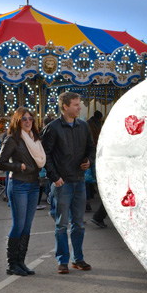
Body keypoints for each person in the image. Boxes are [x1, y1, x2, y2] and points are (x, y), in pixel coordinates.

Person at [42, 92, 96, 274]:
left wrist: (88, 160)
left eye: (79, 104)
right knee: (62, 224)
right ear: (65, 106)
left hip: (79, 181)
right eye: (75, 104)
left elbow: (91, 147)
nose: (79, 107)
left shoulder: (83, 126)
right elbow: (46, 155)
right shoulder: (53, 128)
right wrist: (55, 177)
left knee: (79, 223)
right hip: (62, 183)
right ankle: (63, 260)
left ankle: (78, 259)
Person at [0, 107, 45, 276]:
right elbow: (0, 163)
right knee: (18, 225)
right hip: (18, 184)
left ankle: (21, 262)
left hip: (33, 185)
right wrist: (19, 166)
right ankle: (12, 264)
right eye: (24, 119)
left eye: (30, 118)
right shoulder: (12, 140)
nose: (28, 121)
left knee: (27, 226)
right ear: (18, 121)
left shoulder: (35, 139)